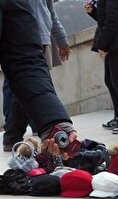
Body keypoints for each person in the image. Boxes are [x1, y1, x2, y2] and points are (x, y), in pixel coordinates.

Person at [1, 0, 78, 156]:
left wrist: (54, 121)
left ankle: (15, 134)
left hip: (36, 39)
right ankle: (12, 134)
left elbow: (25, 64)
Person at [86, 0, 118, 134]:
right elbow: (104, 18)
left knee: (117, 81)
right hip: (111, 40)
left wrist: (102, 44)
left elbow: (113, 21)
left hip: (115, 40)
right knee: (110, 80)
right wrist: (93, 12)